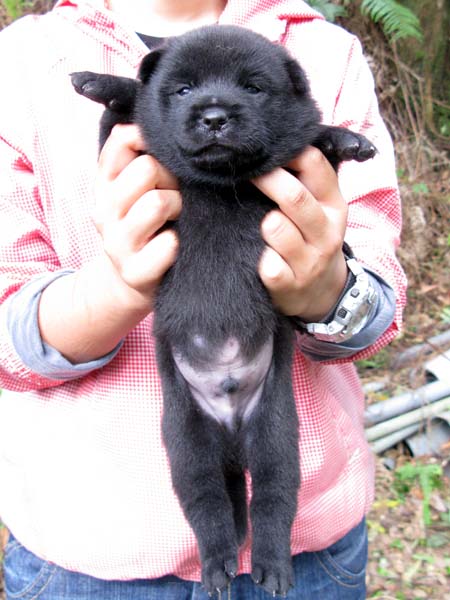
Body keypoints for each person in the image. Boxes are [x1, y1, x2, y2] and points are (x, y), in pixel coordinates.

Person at [0, 0, 407, 598]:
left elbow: (380, 301)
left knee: (275, 461)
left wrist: (328, 291)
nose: (215, 110)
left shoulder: (327, 52)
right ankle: (219, 540)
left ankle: (266, 539)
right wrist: (115, 288)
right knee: (193, 458)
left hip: (313, 550)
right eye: (185, 90)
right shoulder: (20, 63)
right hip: (89, 551)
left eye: (250, 88)